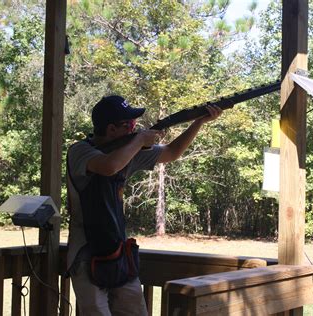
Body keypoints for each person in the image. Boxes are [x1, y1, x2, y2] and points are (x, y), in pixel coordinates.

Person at [66, 95, 222, 315]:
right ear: (111, 129)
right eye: (129, 125)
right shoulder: (79, 151)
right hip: (85, 252)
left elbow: (172, 152)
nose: (134, 128)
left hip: (118, 250)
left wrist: (198, 122)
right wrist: (139, 141)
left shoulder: (129, 151)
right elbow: (109, 166)